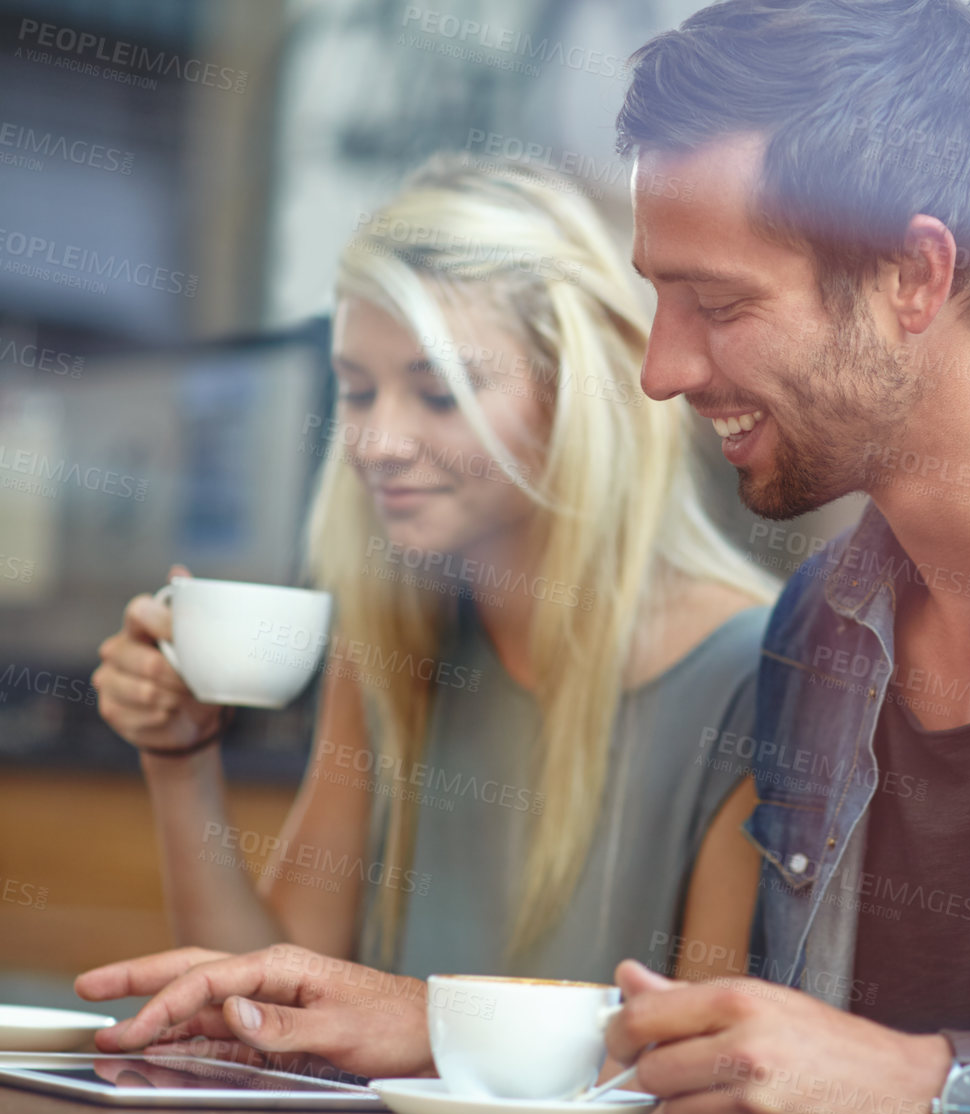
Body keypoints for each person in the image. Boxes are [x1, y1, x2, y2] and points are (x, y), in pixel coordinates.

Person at [80, 4, 970, 1114]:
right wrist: (419, 1018)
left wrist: (948, 1090)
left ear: (915, 273)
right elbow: (762, 1055)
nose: (660, 368)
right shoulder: (819, 630)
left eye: (716, 302)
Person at [87, 153, 773, 985]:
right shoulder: (392, 638)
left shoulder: (755, 675)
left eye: (440, 393)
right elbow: (250, 1005)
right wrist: (179, 759)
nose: (377, 444)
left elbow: (703, 1068)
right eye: (357, 390)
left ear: (574, 397)